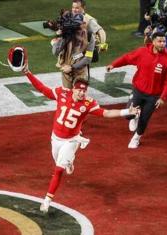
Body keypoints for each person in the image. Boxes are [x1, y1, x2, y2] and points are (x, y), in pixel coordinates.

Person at [21, 65, 140, 213]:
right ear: (73, 89)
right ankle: (69, 161)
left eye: (84, 90)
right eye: (80, 90)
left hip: (72, 140)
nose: (82, 93)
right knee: (59, 162)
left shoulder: (88, 104)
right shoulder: (62, 93)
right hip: (56, 138)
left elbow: (107, 113)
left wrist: (126, 111)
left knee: (58, 170)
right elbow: (42, 89)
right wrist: (28, 73)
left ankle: (47, 200)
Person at [106, 31, 167, 149]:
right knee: (128, 115)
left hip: (153, 96)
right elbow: (127, 58)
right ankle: (134, 116)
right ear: (153, 42)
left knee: (145, 119)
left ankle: (136, 137)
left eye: (164, 41)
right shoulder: (142, 52)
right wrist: (113, 65)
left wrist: (163, 97)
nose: (163, 44)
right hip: (138, 91)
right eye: (159, 41)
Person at [52, 11, 95, 89]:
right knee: (68, 96)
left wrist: (72, 67)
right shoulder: (68, 35)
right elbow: (55, 52)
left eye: (79, 26)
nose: (77, 30)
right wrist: (61, 37)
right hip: (66, 73)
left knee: (79, 95)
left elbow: (88, 58)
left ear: (83, 24)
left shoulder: (89, 36)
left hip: (80, 72)